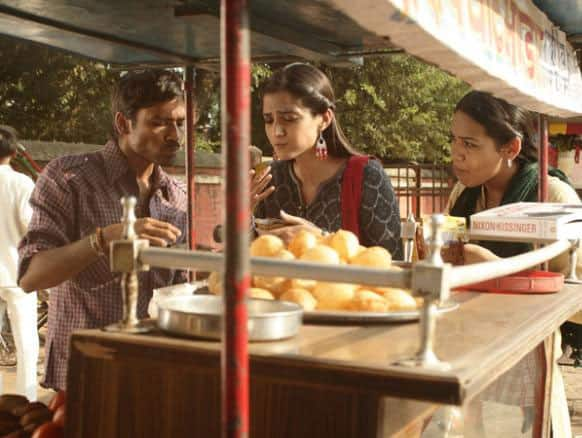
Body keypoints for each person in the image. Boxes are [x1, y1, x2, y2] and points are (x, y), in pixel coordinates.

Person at [18, 69, 190, 390]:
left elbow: (182, 291)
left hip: (148, 371)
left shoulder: (176, 196)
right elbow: (31, 277)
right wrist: (103, 239)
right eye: (159, 122)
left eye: (180, 123)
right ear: (124, 124)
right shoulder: (69, 179)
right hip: (84, 370)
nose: (175, 136)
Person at [445, 90, 581, 437]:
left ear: (511, 148)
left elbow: (578, 303)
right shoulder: (463, 196)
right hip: (469, 367)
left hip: (529, 375)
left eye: (471, 144)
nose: (456, 154)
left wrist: (494, 269)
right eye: (454, 140)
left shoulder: (553, 197)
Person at [252, 63, 402, 258]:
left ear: (324, 119)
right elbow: (252, 262)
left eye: (289, 118)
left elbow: (391, 262)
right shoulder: (270, 179)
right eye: (268, 120)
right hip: (284, 289)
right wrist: (243, 217)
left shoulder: (366, 176)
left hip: (346, 289)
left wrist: (322, 239)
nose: (276, 131)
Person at [0, 126, 39, 400]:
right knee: (26, 340)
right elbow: (32, 227)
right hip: (16, 273)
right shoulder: (22, 184)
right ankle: (26, 401)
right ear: (14, 153)